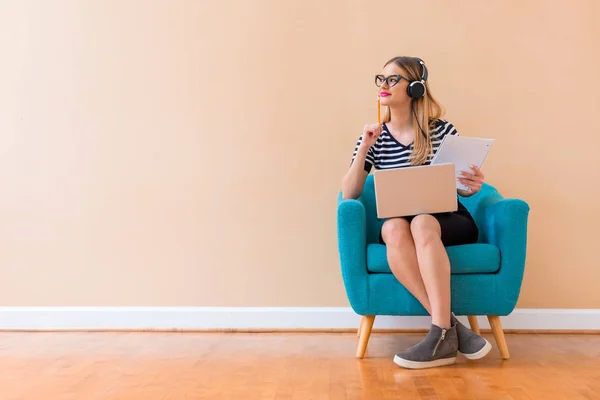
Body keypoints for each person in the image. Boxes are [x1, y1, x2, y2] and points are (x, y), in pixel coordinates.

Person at [341, 56, 492, 369]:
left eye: (392, 79)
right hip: (401, 222)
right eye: (380, 79)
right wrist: (364, 151)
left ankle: (440, 334)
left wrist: (471, 186)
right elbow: (349, 194)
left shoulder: (441, 132)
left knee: (423, 222)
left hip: (447, 220)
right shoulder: (375, 136)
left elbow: (459, 186)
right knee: (393, 228)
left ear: (415, 87)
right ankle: (448, 330)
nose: (383, 85)